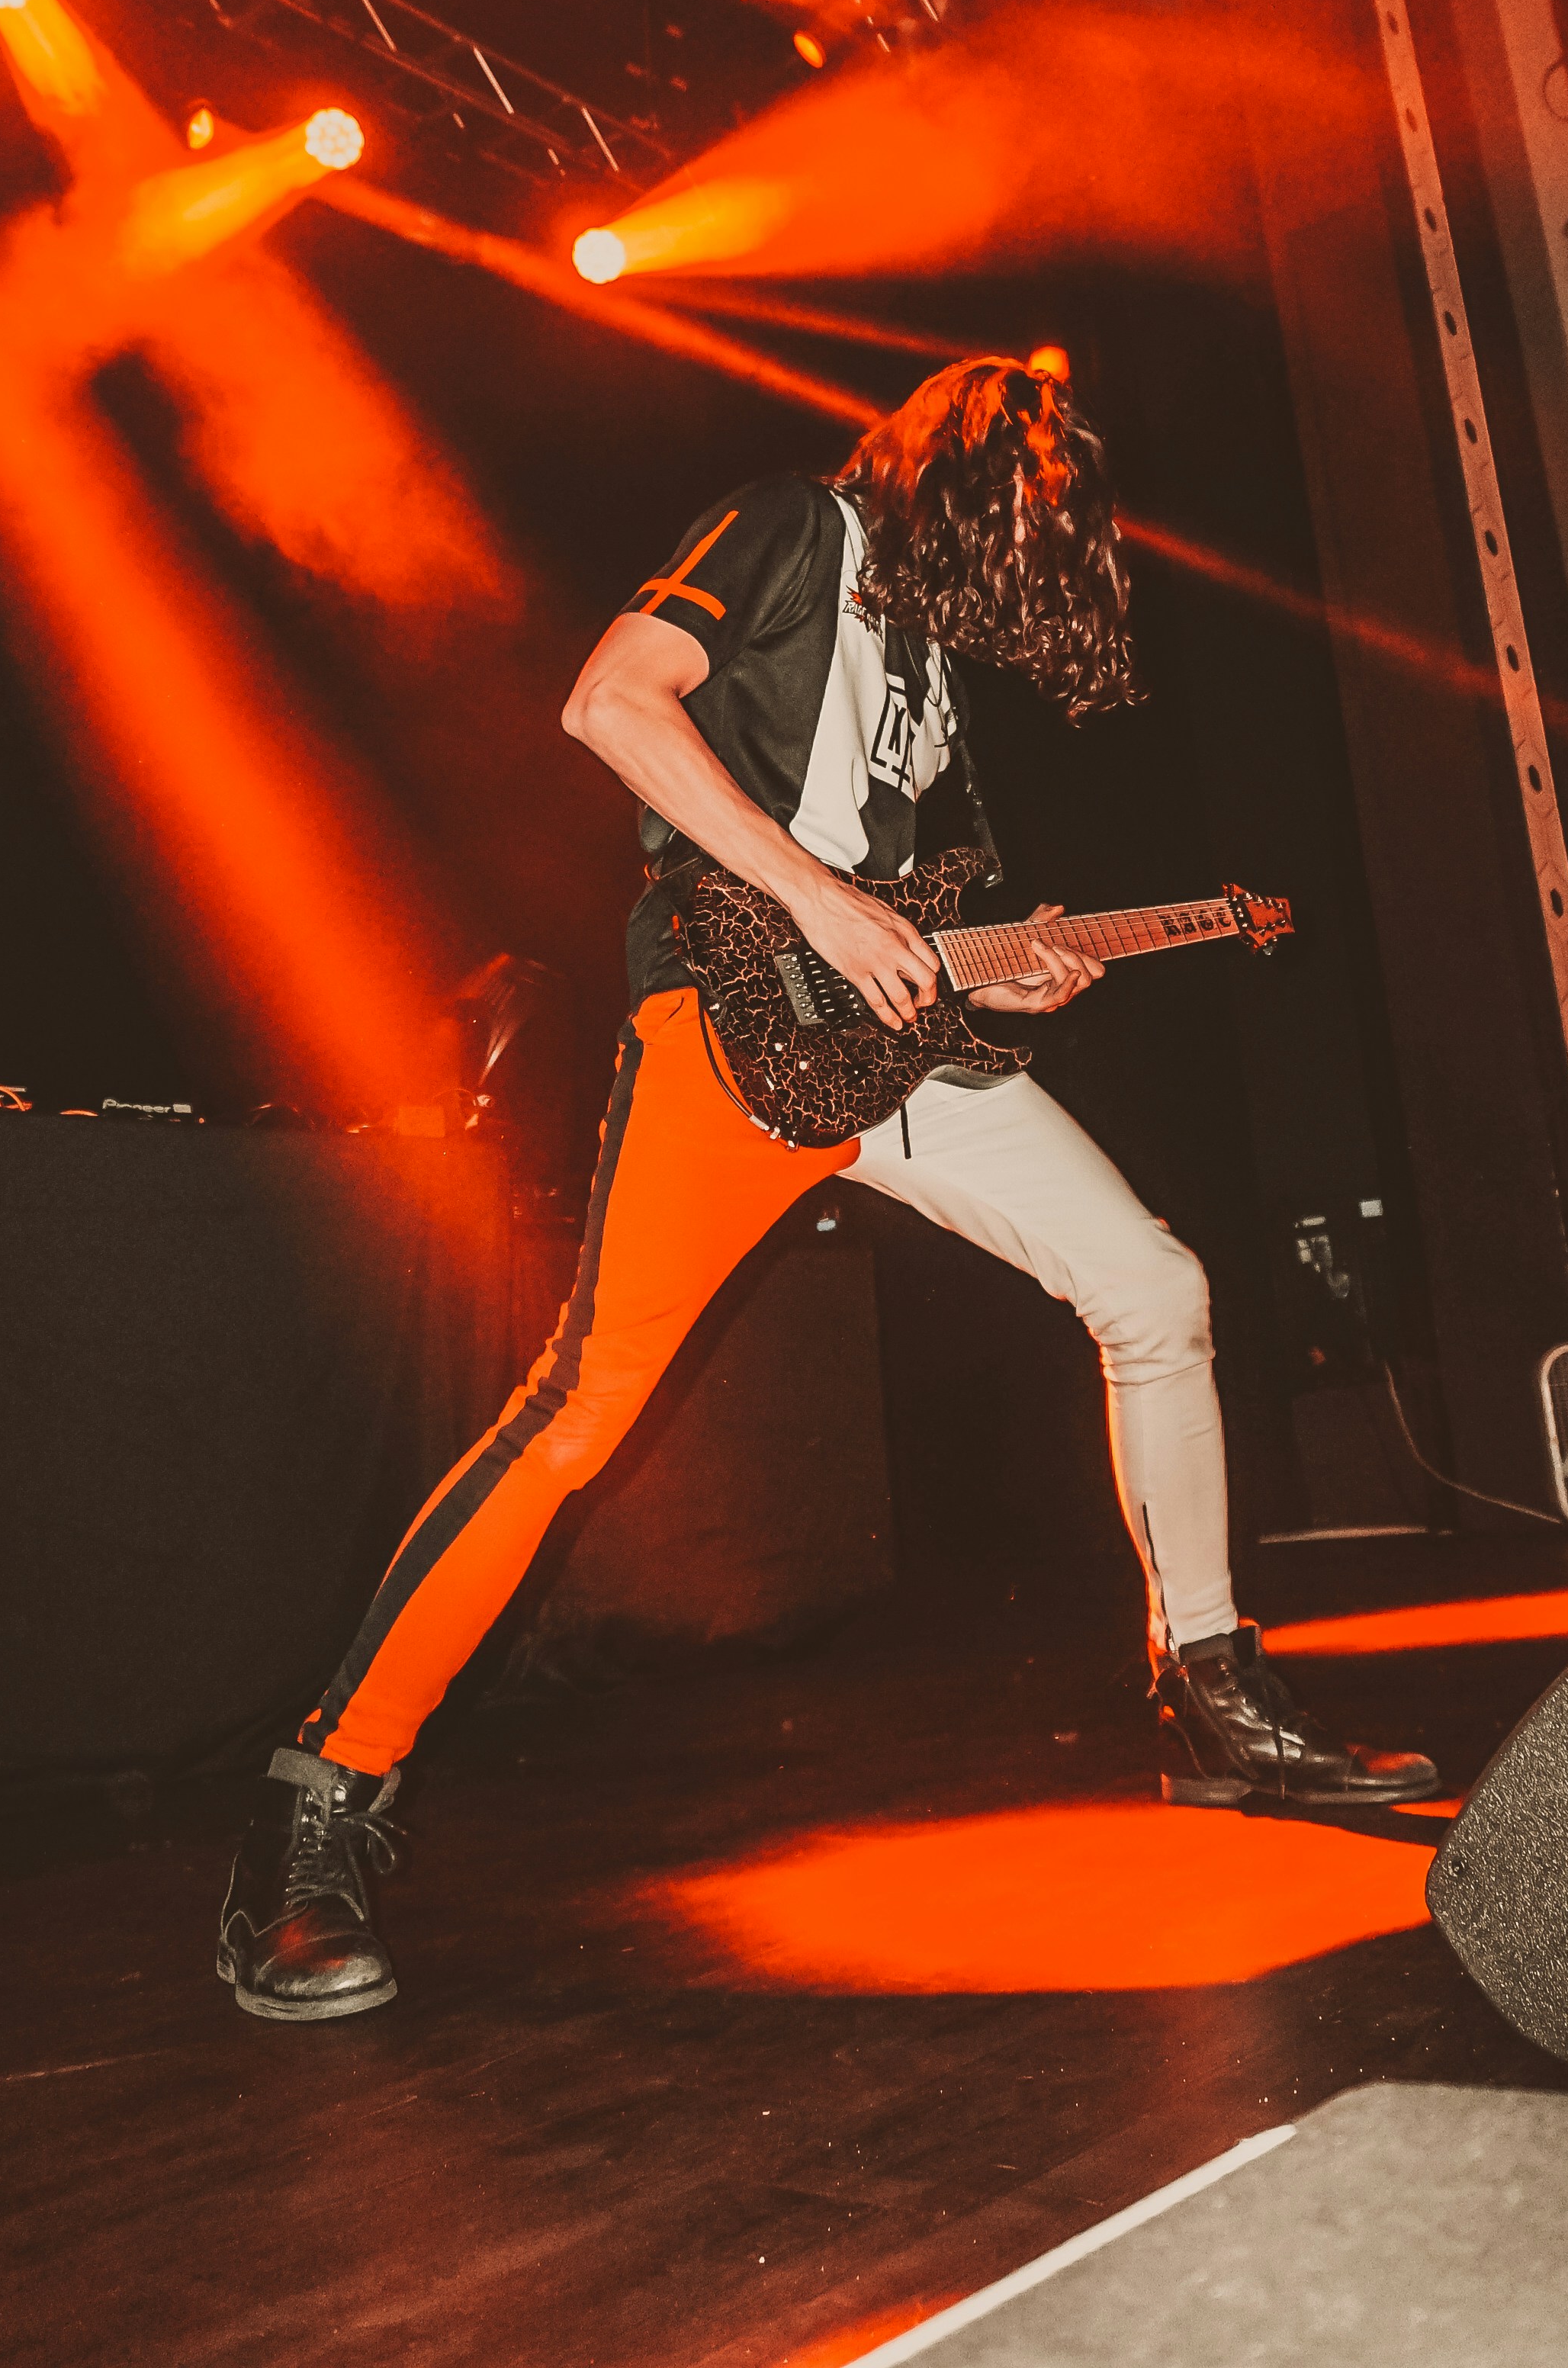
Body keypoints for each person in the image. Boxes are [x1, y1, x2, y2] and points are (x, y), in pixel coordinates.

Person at [218, 358, 1435, 2021]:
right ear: (952, 469)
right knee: (578, 1410)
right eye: (1020, 507)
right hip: (731, 1027)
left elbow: (913, 919)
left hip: (896, 1054)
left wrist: (1000, 970)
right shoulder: (792, 524)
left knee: (1155, 1287)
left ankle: (1209, 1690)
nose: (1034, 545)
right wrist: (819, 899)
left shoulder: (934, 660)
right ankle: (319, 1804)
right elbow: (609, 701)